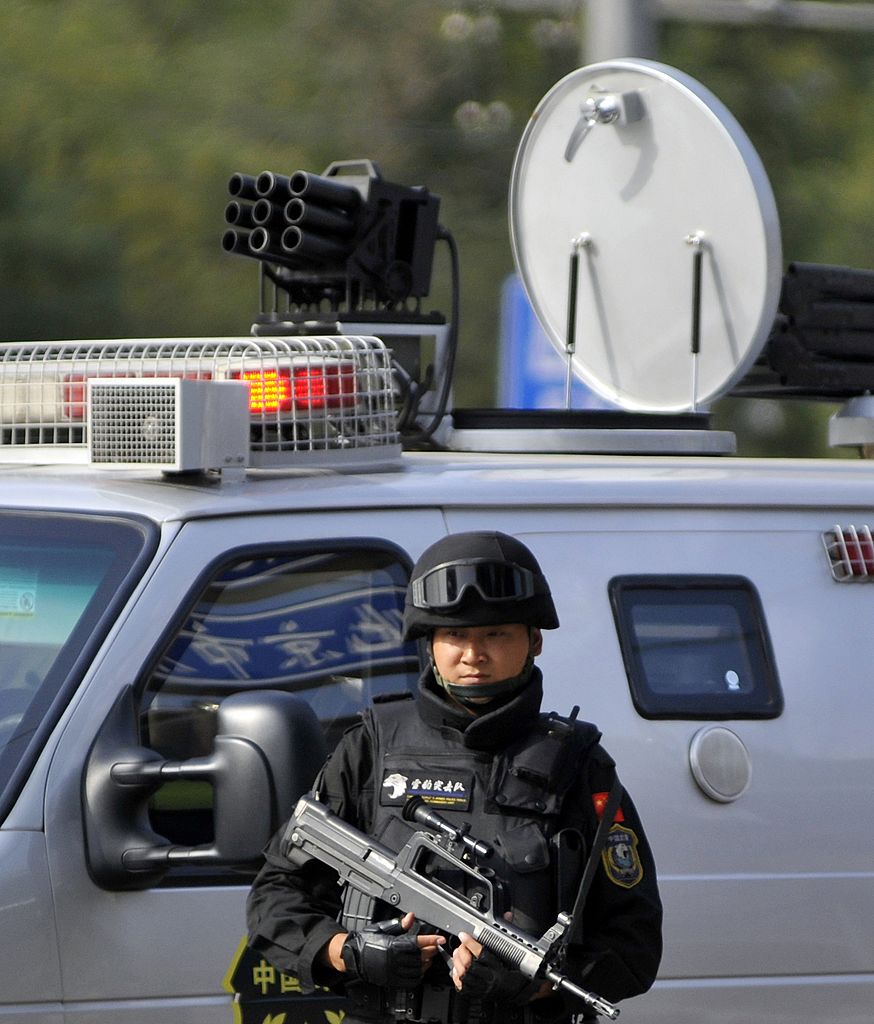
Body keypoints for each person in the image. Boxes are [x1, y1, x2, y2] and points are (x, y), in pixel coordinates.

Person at [246, 530, 662, 1024]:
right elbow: (276, 896)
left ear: (535, 641)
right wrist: (346, 951)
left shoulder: (578, 764)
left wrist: (531, 986)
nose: (473, 654)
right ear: (430, 644)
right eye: (455, 636)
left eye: (495, 634)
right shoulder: (371, 748)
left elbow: (634, 944)